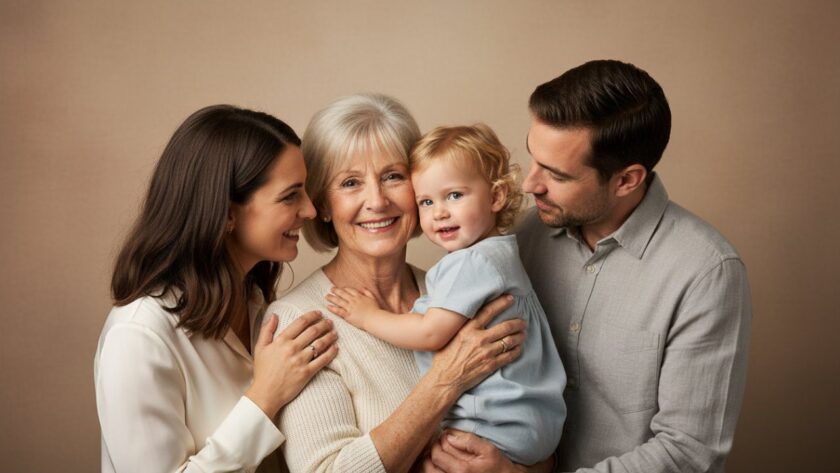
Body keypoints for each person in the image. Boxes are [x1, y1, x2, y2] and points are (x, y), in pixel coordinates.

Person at [423, 60, 752, 473]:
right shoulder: (523, 240)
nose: (529, 185)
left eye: (556, 175)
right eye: (533, 158)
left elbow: (688, 454)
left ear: (627, 181)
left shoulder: (706, 272)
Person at [265, 94, 541, 473]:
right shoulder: (299, 320)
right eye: (350, 183)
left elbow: (538, 424)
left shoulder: (465, 294)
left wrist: (513, 471)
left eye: (393, 176)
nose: (376, 201)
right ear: (323, 205)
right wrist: (445, 381)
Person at [94, 105, 339, 473]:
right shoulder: (138, 335)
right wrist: (265, 397)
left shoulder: (259, 304)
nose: (309, 210)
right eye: (291, 195)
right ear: (226, 213)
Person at [326, 123, 566, 466]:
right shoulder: (499, 254)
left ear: (496, 196)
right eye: (426, 201)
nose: (439, 212)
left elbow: (429, 332)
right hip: (531, 426)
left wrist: (368, 316)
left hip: (496, 428)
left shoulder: (471, 263)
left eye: (454, 195)